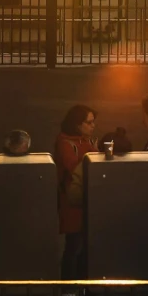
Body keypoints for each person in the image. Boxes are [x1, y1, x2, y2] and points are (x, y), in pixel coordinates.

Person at [53, 104, 98, 278]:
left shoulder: (88, 141)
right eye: (89, 122)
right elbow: (75, 170)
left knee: (83, 249)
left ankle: (81, 287)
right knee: (73, 248)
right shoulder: (66, 144)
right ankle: (68, 289)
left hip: (87, 203)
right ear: (78, 125)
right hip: (73, 205)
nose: (93, 126)